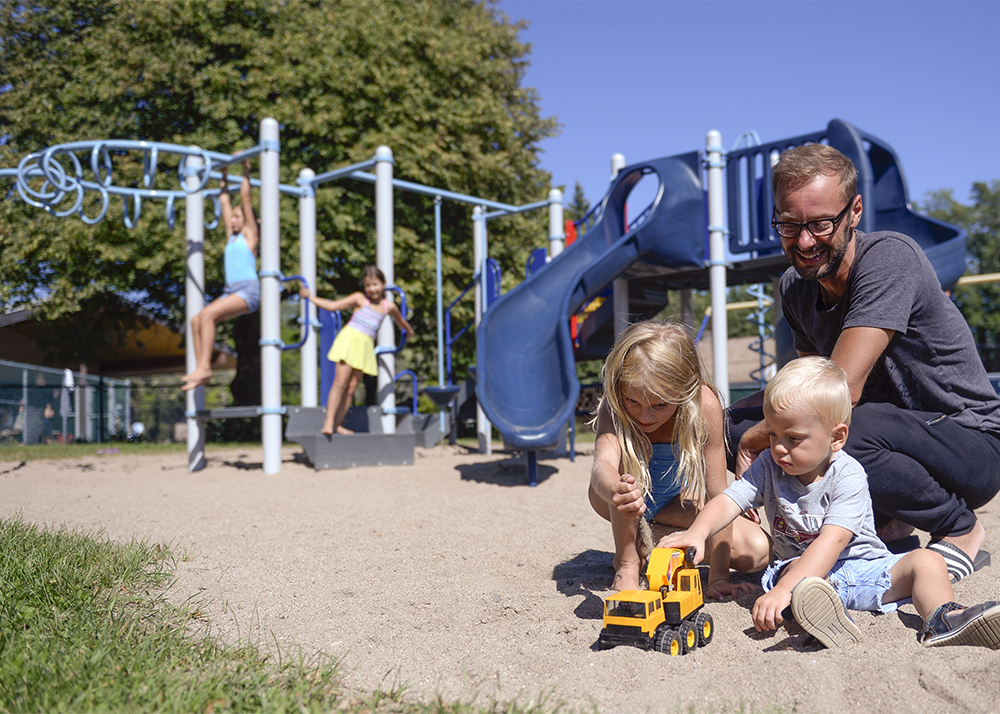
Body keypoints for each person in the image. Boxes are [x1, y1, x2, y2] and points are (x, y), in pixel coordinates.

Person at [729, 143, 1000, 583]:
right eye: (789, 224)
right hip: (889, 437)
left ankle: (959, 527)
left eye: (820, 224)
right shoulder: (796, 287)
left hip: (971, 444)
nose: (803, 241)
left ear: (854, 211)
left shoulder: (890, 257)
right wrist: (733, 428)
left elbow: (838, 390)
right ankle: (881, 519)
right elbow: (803, 388)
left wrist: (757, 441)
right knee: (733, 425)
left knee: (838, 431)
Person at [664, 357, 1000, 649]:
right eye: (772, 435)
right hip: (803, 575)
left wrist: (782, 592)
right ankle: (824, 620)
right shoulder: (769, 465)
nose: (779, 447)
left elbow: (833, 539)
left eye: (793, 438)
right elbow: (728, 502)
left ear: (836, 437)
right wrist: (698, 531)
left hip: (867, 570)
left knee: (927, 561)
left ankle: (943, 618)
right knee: (799, 576)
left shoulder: (848, 475)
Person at [589, 320, 771, 597]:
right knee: (627, 476)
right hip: (615, 499)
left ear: (685, 389)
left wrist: (718, 578)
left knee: (757, 552)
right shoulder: (614, 406)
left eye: (660, 404)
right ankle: (626, 561)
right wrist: (616, 489)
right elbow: (602, 465)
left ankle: (646, 541)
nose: (644, 416)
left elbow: (716, 492)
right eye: (633, 401)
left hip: (669, 503)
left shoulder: (703, 405)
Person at [300, 265, 414, 436]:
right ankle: (329, 422)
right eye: (368, 285)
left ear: (383, 284)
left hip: (365, 345)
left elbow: (401, 321)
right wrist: (311, 298)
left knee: (352, 387)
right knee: (341, 382)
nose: (372, 289)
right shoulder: (360, 299)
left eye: (375, 284)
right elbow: (333, 306)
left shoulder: (388, 307)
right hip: (350, 340)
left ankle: (338, 424)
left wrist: (409, 331)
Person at [182, 158, 260, 391]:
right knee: (196, 320)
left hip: (247, 290)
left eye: (238, 217)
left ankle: (205, 367)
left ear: (247, 220)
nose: (234, 220)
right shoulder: (232, 236)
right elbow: (225, 201)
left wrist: (245, 171)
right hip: (231, 290)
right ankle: (202, 370)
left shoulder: (250, 236)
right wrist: (223, 176)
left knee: (206, 316)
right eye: (233, 218)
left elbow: (245, 199)